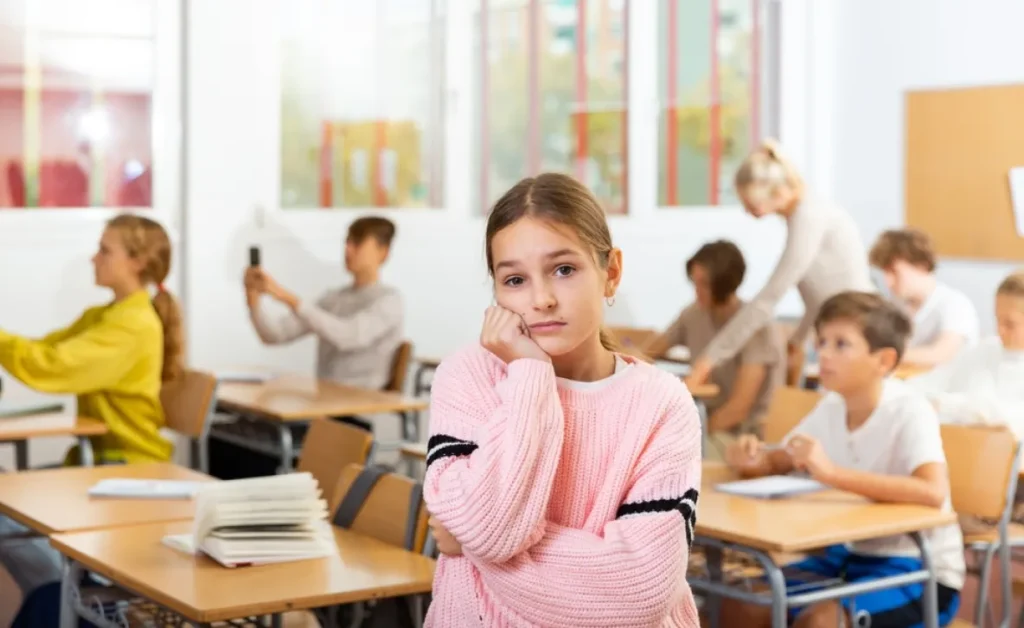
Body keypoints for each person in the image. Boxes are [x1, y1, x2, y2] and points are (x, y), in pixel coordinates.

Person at [422, 173, 702, 626]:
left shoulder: (662, 403)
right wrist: (531, 373)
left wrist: (476, 544)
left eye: (564, 270)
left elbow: (642, 589)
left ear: (611, 273)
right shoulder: (468, 375)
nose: (542, 299)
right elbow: (493, 528)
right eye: (515, 279)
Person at [721, 291, 964, 628]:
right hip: (845, 556)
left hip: (920, 568)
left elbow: (932, 492)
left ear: (884, 361)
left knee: (822, 622)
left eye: (841, 344)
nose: (823, 353)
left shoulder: (910, 410)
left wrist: (832, 474)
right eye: (822, 342)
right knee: (742, 604)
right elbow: (780, 460)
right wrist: (751, 459)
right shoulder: (832, 405)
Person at [0, 214, 183, 628]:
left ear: (137, 262)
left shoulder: (133, 325)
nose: (93, 258)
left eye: (105, 250)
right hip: (99, 461)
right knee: (8, 499)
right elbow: (43, 349)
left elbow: (52, 366)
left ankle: (67, 598)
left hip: (129, 470)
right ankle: (59, 597)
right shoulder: (107, 315)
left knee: (8, 504)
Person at [209, 216, 403, 479]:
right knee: (227, 437)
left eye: (358, 243)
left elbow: (347, 336)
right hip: (320, 409)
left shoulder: (389, 301)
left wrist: (286, 296)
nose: (348, 249)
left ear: (383, 251)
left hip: (356, 416)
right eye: (347, 241)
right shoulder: (334, 298)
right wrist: (253, 301)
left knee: (251, 450)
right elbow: (274, 335)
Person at [684, 140, 874, 390]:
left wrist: (708, 360)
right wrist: (798, 340)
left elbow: (769, 299)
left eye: (749, 204)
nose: (747, 212)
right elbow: (821, 297)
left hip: (859, 330)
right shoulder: (801, 216)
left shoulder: (810, 216)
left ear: (773, 192)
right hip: (839, 327)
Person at [645, 240, 783, 460]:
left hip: (744, 438)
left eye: (704, 284)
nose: (696, 291)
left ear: (725, 285)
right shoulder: (694, 314)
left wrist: (687, 433)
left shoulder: (755, 328)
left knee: (666, 456)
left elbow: (738, 409)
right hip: (706, 424)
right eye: (694, 282)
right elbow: (648, 353)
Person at [908, 270, 1024, 439]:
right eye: (997, 319)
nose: (1000, 330)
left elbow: (1005, 417)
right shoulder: (984, 351)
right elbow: (928, 384)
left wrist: (949, 405)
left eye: (1010, 323)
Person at [869, 228, 978, 367]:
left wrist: (882, 356)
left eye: (894, 272)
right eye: (885, 273)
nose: (888, 282)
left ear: (922, 265)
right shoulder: (897, 305)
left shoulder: (955, 304)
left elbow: (943, 354)